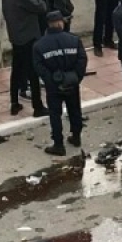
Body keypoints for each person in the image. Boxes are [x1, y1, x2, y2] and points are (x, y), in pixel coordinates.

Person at [33, 12, 87, 157]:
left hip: (54, 86)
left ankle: (58, 145)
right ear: (60, 23)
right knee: (75, 110)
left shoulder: (39, 45)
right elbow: (82, 60)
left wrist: (52, 82)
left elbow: (39, 67)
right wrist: (75, 78)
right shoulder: (74, 40)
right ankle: (76, 137)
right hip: (72, 83)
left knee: (55, 115)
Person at [2, 0, 49, 118]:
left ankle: (14, 102)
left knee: (16, 70)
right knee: (33, 72)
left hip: (15, 36)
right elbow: (42, 7)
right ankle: (38, 107)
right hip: (28, 37)